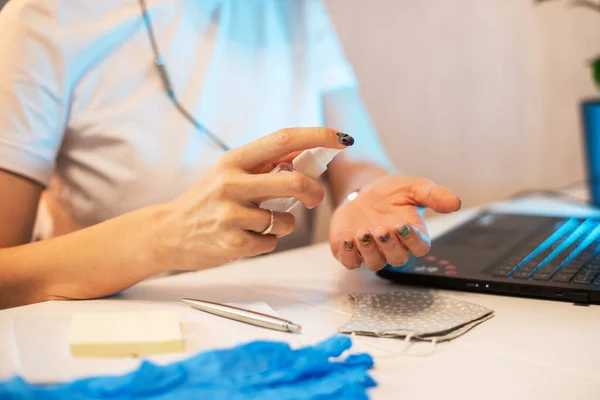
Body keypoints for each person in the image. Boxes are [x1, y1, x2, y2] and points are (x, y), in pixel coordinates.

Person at [0, 0, 461, 309]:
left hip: (284, 324)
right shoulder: (47, 18)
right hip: (114, 339)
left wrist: (363, 198)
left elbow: (352, 155)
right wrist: (164, 236)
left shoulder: (293, 8)